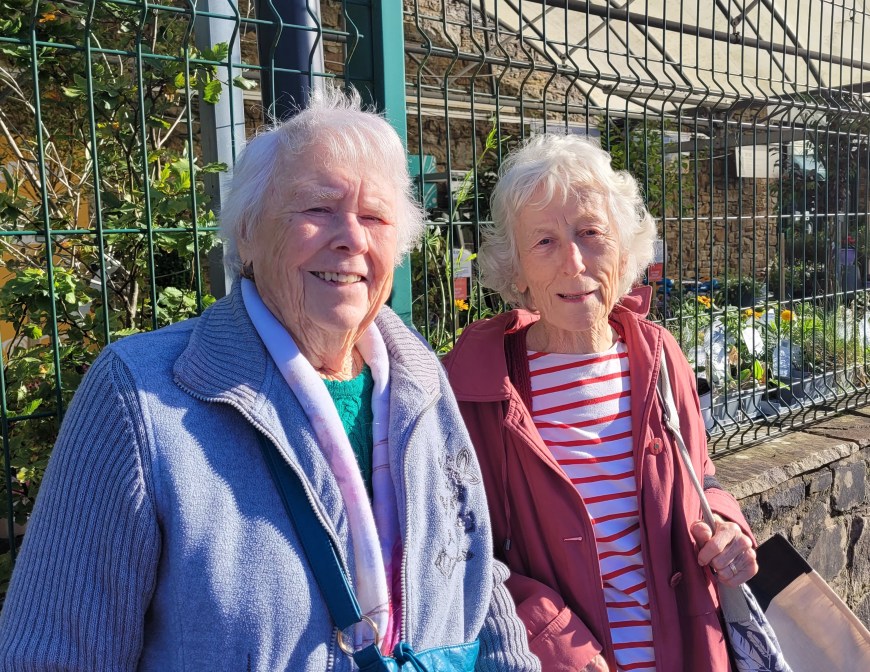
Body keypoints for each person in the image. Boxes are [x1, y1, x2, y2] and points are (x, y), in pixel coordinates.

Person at [0, 86, 540, 672]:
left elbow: (469, 565)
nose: (352, 237)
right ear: (248, 232)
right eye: (317, 209)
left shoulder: (419, 377)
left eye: (374, 217)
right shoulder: (138, 396)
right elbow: (54, 652)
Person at [443, 133, 757, 672]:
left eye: (591, 233)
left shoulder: (659, 355)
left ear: (624, 249)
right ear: (516, 269)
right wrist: (555, 643)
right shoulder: (479, 385)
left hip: (688, 651)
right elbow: (460, 551)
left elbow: (701, 478)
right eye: (544, 241)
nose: (573, 262)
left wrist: (729, 528)